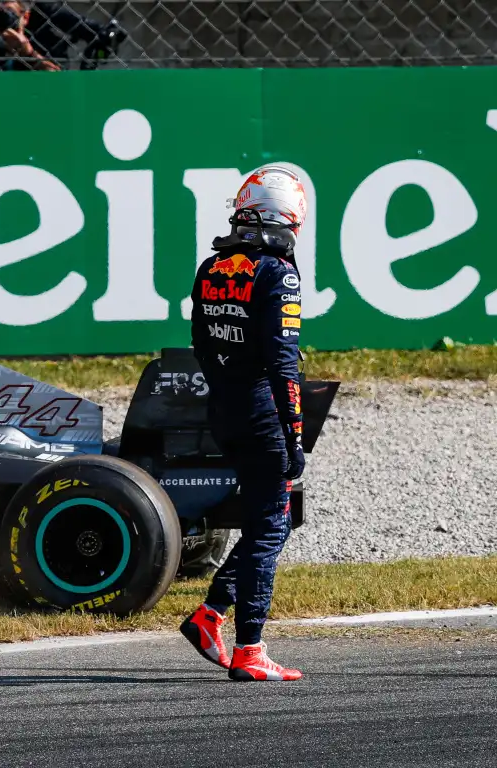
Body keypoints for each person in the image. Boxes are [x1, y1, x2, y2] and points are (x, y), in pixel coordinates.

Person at [179, 165, 308, 682]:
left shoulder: (211, 267)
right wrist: (295, 434)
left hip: (223, 407)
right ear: (285, 219)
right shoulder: (279, 275)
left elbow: (200, 345)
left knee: (264, 524)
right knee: (271, 525)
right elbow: (283, 362)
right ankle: (250, 650)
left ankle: (210, 616)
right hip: (262, 416)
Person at [0, 1, 124, 72]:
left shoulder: (44, 34)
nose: (2, 15)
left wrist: (28, 53)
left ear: (25, 17)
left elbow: (58, 81)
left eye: (7, 9)